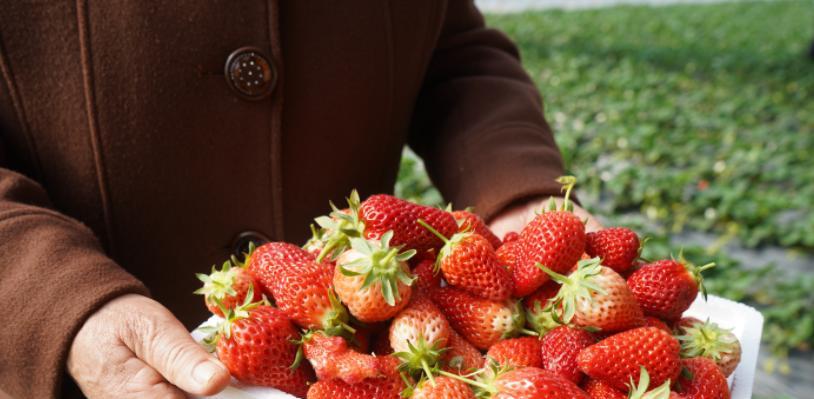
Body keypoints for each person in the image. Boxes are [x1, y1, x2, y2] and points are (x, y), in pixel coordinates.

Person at [0, 1, 601, 398]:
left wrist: (516, 193)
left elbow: (454, 54)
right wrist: (57, 300)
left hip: (371, 331)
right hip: (78, 366)